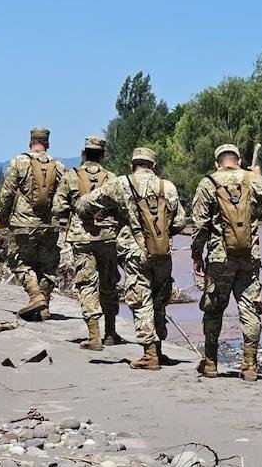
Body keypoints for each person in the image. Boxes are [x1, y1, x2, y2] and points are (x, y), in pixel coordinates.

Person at [77, 147, 186, 370]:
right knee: (159, 299)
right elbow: (180, 222)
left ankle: (149, 352)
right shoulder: (169, 187)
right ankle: (159, 348)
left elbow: (85, 204)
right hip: (163, 252)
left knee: (140, 298)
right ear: (154, 166)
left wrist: (93, 216)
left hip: (134, 252)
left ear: (132, 165)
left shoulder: (121, 183)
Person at [190, 144, 262, 382]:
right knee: (249, 309)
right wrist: (258, 177)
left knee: (213, 309)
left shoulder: (208, 182)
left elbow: (200, 225)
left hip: (220, 258)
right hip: (249, 256)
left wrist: (197, 255)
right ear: (238, 161)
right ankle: (249, 365)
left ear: (217, 162)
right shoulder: (252, 179)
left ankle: (210, 363)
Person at [53, 135, 122, 350]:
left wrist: (68, 218)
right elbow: (122, 207)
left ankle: (94, 335)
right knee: (109, 283)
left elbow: (58, 207)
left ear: (84, 154)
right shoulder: (112, 178)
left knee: (86, 284)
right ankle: (111, 332)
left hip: (81, 237)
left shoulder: (71, 176)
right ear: (102, 155)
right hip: (107, 237)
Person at [0, 127, 67, 321]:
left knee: (19, 261)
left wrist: (3, 219)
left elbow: (7, 194)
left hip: (23, 224)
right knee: (47, 265)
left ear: (31, 142)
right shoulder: (59, 166)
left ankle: (35, 296)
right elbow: (65, 197)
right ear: (47, 144)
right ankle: (43, 306)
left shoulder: (19, 162)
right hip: (49, 226)